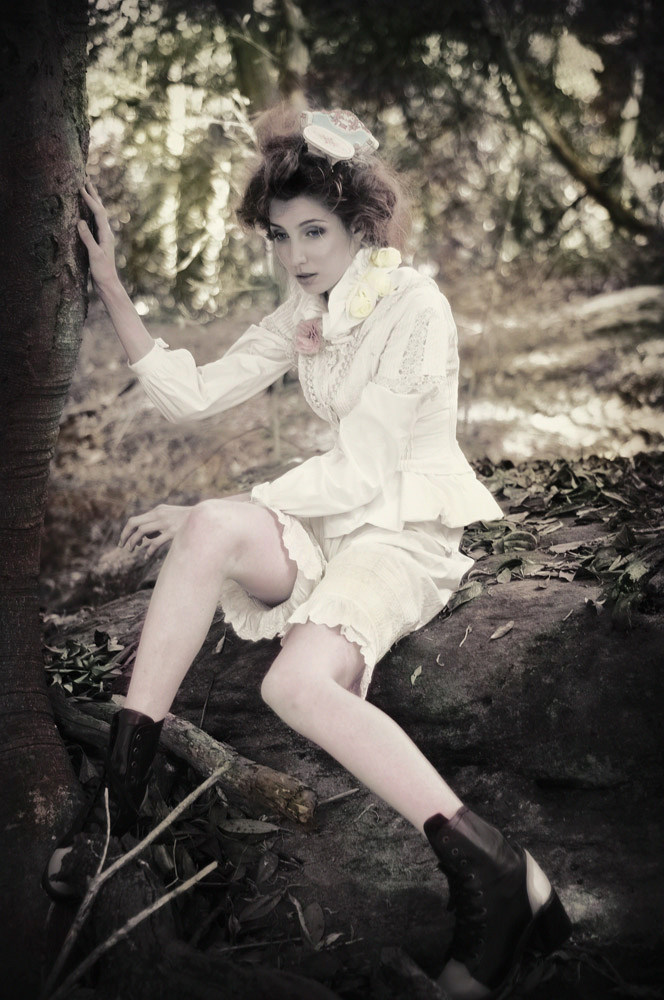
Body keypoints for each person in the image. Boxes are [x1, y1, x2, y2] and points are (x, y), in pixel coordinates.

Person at [44, 107, 571, 998]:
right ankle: (116, 814)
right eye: (280, 236)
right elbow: (196, 394)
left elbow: (367, 466)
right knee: (211, 527)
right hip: (332, 525)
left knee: (291, 683)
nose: (296, 255)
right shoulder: (305, 307)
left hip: (400, 529)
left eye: (314, 233)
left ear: (359, 224)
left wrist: (235, 501)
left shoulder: (415, 307)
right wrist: (108, 284)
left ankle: (492, 871)